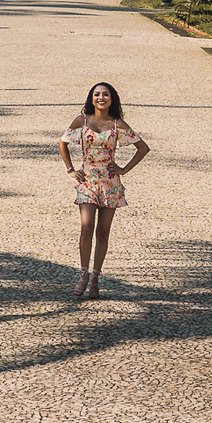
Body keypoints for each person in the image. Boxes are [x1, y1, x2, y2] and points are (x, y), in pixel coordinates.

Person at [58, 82, 149, 300]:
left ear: (112, 98)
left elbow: (143, 148)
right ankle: (83, 275)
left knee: (103, 232)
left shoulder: (117, 124)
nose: (101, 98)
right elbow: (62, 143)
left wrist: (124, 169)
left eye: (105, 94)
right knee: (86, 227)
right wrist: (70, 169)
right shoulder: (82, 120)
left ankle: (95, 279)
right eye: (97, 94)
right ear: (91, 98)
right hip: (88, 181)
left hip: (110, 184)